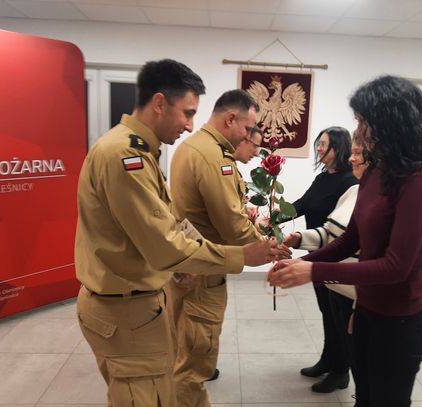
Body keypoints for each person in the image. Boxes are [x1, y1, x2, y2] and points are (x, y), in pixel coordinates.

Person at [75, 60, 285, 407]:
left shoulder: (139, 150)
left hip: (140, 299)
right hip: (125, 308)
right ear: (159, 103)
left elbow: (166, 221)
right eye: (187, 113)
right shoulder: (124, 156)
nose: (189, 125)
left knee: (169, 382)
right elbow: (166, 245)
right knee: (165, 387)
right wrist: (244, 255)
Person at [268, 75, 422, 407]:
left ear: (390, 122)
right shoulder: (376, 172)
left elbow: (396, 267)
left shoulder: (420, 180)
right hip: (367, 311)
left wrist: (313, 272)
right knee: (364, 398)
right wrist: (301, 263)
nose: (359, 131)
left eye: (363, 122)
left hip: (400, 322)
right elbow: (349, 240)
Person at [165, 90, 290, 407]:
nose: (249, 137)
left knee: (181, 350)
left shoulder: (192, 147)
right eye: (248, 129)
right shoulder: (213, 157)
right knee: (193, 366)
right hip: (203, 274)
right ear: (231, 119)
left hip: (186, 266)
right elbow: (232, 226)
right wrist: (267, 247)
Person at [284, 134, 367, 393]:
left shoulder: (350, 182)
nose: (319, 149)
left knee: (341, 321)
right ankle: (329, 360)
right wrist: (278, 219)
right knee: (328, 314)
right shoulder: (327, 180)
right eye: (318, 143)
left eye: (323, 144)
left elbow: (346, 240)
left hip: (340, 267)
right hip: (321, 256)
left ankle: (340, 371)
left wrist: (308, 263)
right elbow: (305, 207)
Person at [234, 126, 263, 223]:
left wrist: (246, 211)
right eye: (255, 146)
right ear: (242, 139)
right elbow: (227, 214)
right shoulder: (223, 165)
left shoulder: (231, 165)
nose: (256, 153)